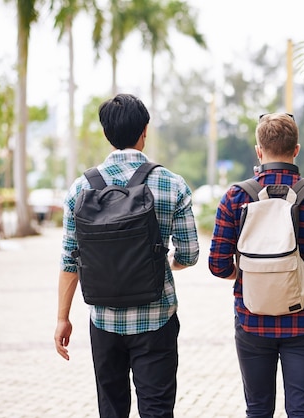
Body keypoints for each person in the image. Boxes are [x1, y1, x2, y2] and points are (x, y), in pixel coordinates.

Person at [54, 93, 199, 418]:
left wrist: (63, 317)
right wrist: (164, 264)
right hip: (156, 319)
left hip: (104, 320)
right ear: (144, 131)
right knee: (157, 410)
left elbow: (69, 260)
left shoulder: (81, 189)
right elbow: (189, 254)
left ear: (107, 134)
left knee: (112, 410)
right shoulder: (171, 184)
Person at [208, 112, 304, 418]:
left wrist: (244, 274)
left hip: (251, 319)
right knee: (303, 410)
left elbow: (218, 265)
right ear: (296, 149)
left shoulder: (235, 197)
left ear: (259, 150)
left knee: (258, 410)